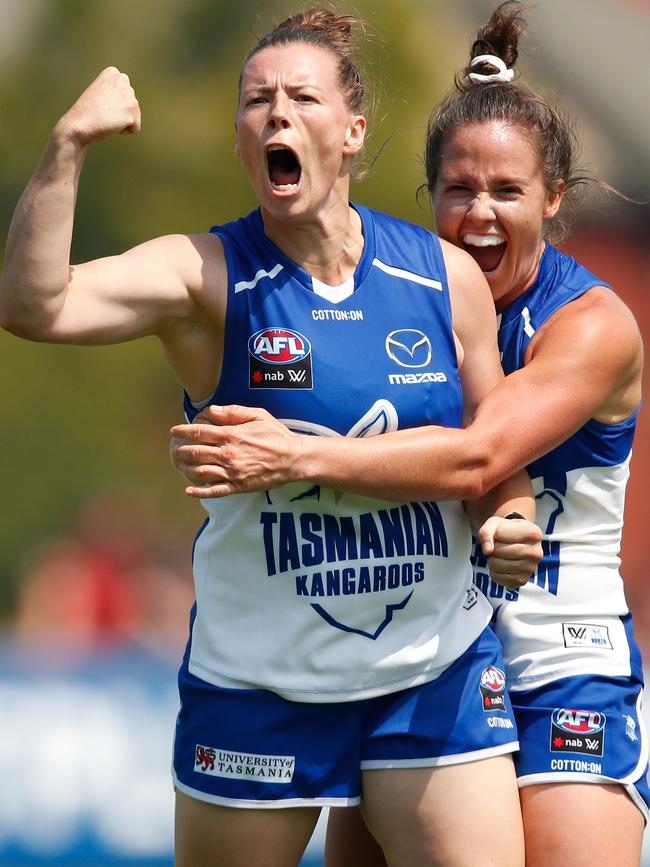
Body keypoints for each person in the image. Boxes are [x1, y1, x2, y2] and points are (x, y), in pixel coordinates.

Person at [0, 8, 546, 867]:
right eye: (257, 101)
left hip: (429, 668)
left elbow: (496, 450)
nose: (277, 114)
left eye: (301, 97)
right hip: (262, 686)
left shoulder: (441, 278)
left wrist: (511, 517)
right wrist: (67, 145)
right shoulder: (206, 274)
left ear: (354, 130)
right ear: (241, 141)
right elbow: (36, 305)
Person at [170, 3, 649, 866]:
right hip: (423, 666)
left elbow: (478, 459)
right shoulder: (414, 299)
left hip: (557, 662)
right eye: (460, 191)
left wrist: (290, 454)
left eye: (508, 192)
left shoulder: (590, 325)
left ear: (554, 198)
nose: (481, 215)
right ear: (432, 199)